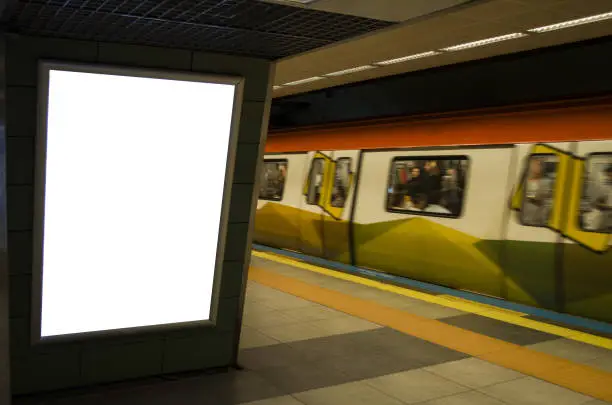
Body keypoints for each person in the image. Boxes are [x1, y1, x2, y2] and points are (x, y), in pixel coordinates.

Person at [522, 158, 554, 226]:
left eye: (539, 164)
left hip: (537, 221)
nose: (536, 167)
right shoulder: (523, 183)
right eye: (535, 164)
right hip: (525, 218)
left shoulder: (546, 182)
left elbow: (545, 199)